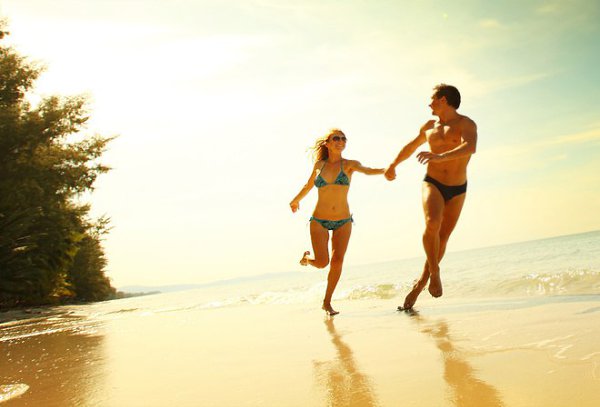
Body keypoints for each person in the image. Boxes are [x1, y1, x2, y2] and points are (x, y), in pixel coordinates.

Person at [384, 84, 477, 310]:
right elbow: (411, 146)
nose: (429, 104)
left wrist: (440, 156)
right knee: (432, 223)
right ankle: (435, 272)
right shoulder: (429, 126)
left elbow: (470, 147)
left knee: (443, 238)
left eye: (433, 100)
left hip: (458, 188)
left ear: (443, 100)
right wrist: (393, 164)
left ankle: (419, 285)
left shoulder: (466, 124)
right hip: (433, 182)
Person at [290, 129, 384, 316]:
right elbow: (308, 185)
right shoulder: (319, 165)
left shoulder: (349, 164)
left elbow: (367, 170)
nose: (340, 141)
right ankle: (307, 260)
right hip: (319, 220)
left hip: (343, 221)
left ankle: (327, 302)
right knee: (322, 263)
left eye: (343, 138)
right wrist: (295, 200)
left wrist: (385, 170)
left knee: (337, 261)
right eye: (336, 138)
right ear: (327, 143)